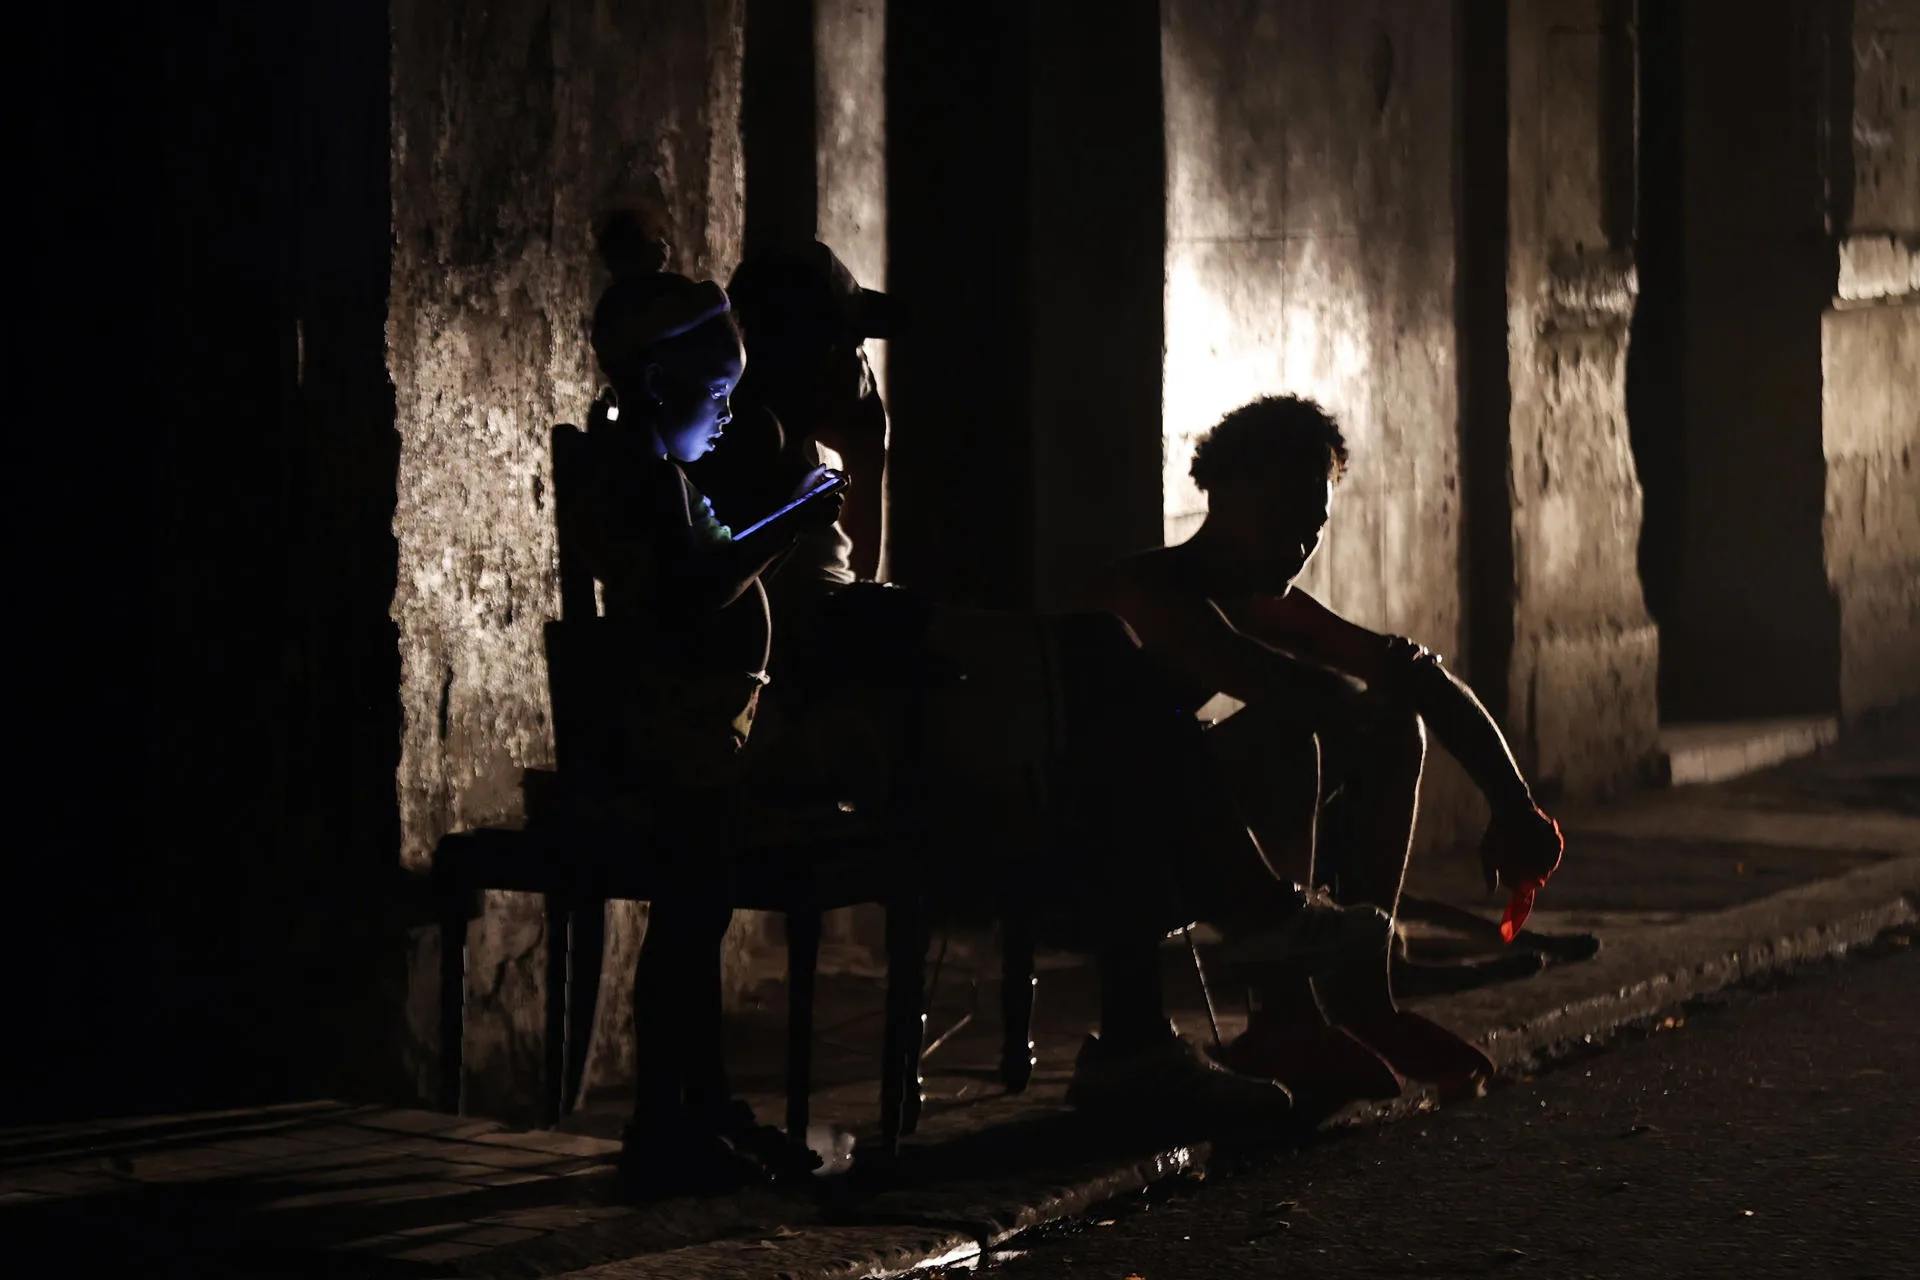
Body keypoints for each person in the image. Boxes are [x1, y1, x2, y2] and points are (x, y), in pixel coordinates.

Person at [690, 245, 1395, 1129]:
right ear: (809, 353)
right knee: (1106, 669)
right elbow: (802, 621)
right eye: (848, 348)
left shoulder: (796, 447)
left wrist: (871, 456)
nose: (862, 368)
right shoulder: (746, 445)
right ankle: (1208, 967)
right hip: (829, 717)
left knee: (1122, 738)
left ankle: (1156, 1030)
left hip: (872, 682)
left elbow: (845, 581)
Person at [1087, 395, 1567, 1110]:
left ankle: (1363, 1000)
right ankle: (1285, 1015)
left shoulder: (1256, 597)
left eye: (1313, 525)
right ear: (1222, 494)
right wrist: (1375, 701)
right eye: (1280, 516)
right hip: (1085, 841)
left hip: (1175, 822)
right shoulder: (1151, 590)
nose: (1299, 543)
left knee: (1393, 725)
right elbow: (1290, 689)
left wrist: (1514, 803)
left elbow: (1411, 675)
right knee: (1297, 734)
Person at [579, 223, 844, 1196]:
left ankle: (703, 1103)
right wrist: (793, 519)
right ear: (657, 384)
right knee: (687, 932)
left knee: (699, 924)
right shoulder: (644, 479)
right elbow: (696, 592)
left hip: (708, 734)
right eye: (717, 394)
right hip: (676, 738)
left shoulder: (669, 476)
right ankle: (668, 1120)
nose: (729, 414)